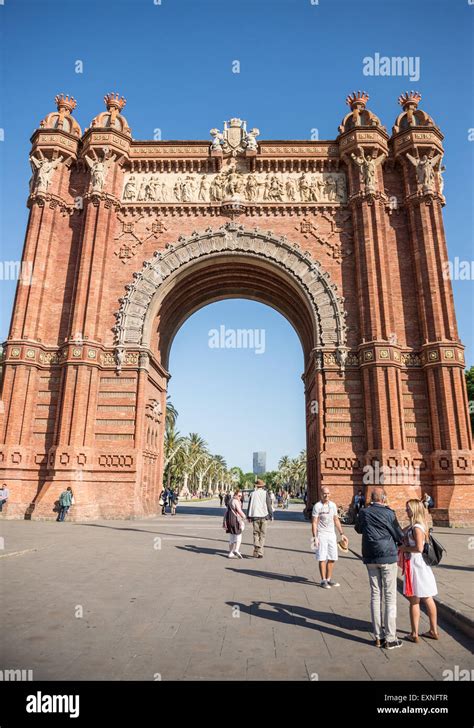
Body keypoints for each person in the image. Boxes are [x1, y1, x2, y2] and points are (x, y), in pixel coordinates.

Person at [355, 487, 405, 649]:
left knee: (375, 595)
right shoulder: (389, 513)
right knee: (390, 596)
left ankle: (378, 636)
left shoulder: (364, 512)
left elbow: (358, 529)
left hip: (370, 556)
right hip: (388, 556)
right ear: (383, 498)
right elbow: (398, 535)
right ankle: (390, 637)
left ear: (371, 498)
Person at [399, 499, 438, 643]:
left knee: (416, 599)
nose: (406, 510)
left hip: (416, 565)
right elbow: (400, 533)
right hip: (418, 565)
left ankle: (415, 633)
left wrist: (404, 548)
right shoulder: (415, 526)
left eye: (408, 508)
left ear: (414, 510)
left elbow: (419, 549)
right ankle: (432, 630)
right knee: (426, 597)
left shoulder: (417, 528)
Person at [312, 487, 348, 589]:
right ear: (321, 494)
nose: (326, 495)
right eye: (324, 493)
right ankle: (323, 580)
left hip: (331, 534)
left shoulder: (333, 505)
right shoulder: (317, 506)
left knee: (332, 557)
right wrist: (315, 537)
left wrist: (342, 533)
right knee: (322, 557)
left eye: (328, 493)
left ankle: (328, 579)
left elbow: (336, 519)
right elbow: (314, 522)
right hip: (321, 535)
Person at [247, 479, 273, 558]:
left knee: (255, 533)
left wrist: (248, 516)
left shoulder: (252, 494)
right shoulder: (265, 493)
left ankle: (256, 545)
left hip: (255, 516)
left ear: (256, 486)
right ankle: (260, 552)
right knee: (263, 534)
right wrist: (271, 515)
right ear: (262, 486)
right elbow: (269, 505)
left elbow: (249, 505)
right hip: (264, 516)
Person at [223, 489, 246, 559]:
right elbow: (239, 511)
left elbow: (226, 512)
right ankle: (236, 550)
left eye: (241, 496)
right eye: (239, 496)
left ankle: (230, 553)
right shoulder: (236, 501)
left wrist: (224, 521)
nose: (240, 497)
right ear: (235, 495)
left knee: (231, 537)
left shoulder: (230, 500)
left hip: (229, 520)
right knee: (239, 535)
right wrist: (245, 516)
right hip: (235, 520)